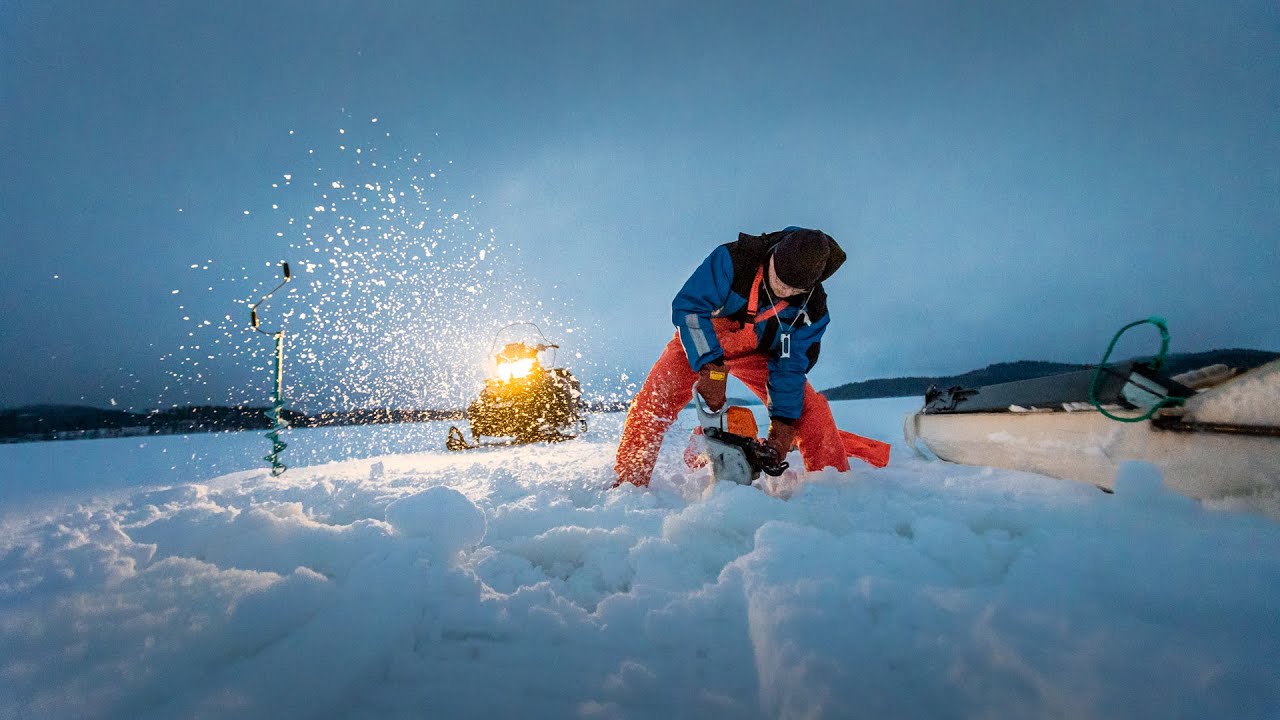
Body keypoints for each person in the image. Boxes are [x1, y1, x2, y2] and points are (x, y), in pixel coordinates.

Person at [614, 226, 888, 488]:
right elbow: (690, 308)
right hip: (703, 339)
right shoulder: (733, 259)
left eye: (794, 290)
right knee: (654, 404)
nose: (784, 291)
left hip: (759, 353)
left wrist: (782, 428)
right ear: (772, 256)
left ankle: (832, 488)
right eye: (779, 280)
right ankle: (629, 484)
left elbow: (789, 364)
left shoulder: (811, 310)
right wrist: (710, 366)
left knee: (810, 410)